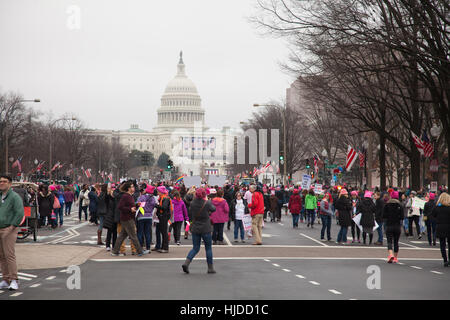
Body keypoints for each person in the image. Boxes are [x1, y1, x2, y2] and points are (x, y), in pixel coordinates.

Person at [182, 188, 217, 274]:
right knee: (208, 248)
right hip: (206, 228)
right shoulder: (207, 203)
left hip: (196, 227)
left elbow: (190, 213)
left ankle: (186, 263)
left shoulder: (192, 203)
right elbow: (213, 209)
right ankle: (210, 268)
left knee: (195, 248)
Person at [111, 182, 149, 256]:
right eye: (132, 187)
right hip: (127, 218)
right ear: (128, 188)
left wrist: (136, 205)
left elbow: (130, 206)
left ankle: (115, 251)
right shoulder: (126, 196)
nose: (133, 188)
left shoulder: (129, 196)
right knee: (133, 235)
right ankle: (140, 251)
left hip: (128, 217)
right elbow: (120, 207)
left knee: (122, 235)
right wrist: (130, 209)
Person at [0, 174, 24, 291]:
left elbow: (19, 213)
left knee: (9, 255)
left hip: (9, 228)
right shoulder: (0, 196)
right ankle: (5, 279)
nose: (1, 183)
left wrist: (11, 227)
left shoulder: (14, 197)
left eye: (4, 181)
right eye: (0, 181)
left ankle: (14, 279)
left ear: (10, 183)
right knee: (1, 256)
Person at [382, 191, 404, 263]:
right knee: (396, 242)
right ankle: (395, 257)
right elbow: (402, 217)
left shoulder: (387, 205)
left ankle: (390, 254)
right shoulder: (400, 205)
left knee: (389, 241)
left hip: (389, 225)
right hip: (397, 226)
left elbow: (384, 216)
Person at [431, 192, 450, 267]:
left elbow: (432, 215)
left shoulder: (437, 207)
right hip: (448, 226)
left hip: (440, 226)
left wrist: (437, 221)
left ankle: (445, 259)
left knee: (442, 244)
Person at [136, 185, 156, 251]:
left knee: (140, 232)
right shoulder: (153, 198)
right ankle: (148, 248)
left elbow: (138, 205)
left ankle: (140, 247)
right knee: (147, 233)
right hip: (149, 216)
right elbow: (154, 206)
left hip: (141, 216)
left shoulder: (141, 197)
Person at [155, 186, 172, 253]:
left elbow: (164, 207)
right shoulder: (162, 198)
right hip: (162, 216)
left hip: (164, 216)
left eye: (158, 191)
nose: (157, 193)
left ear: (161, 192)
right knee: (163, 232)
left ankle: (165, 248)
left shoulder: (165, 198)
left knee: (164, 232)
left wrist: (156, 205)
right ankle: (163, 247)